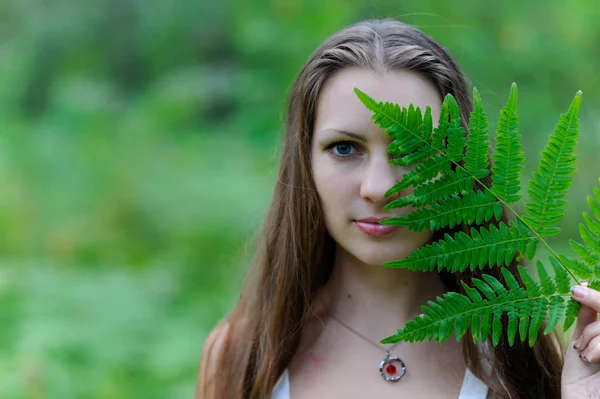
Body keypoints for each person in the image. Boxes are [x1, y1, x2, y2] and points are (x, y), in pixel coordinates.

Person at [196, 19, 600, 398]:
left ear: (460, 166)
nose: (379, 187)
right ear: (305, 163)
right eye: (344, 148)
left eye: (413, 152)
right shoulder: (242, 354)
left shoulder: (522, 352)